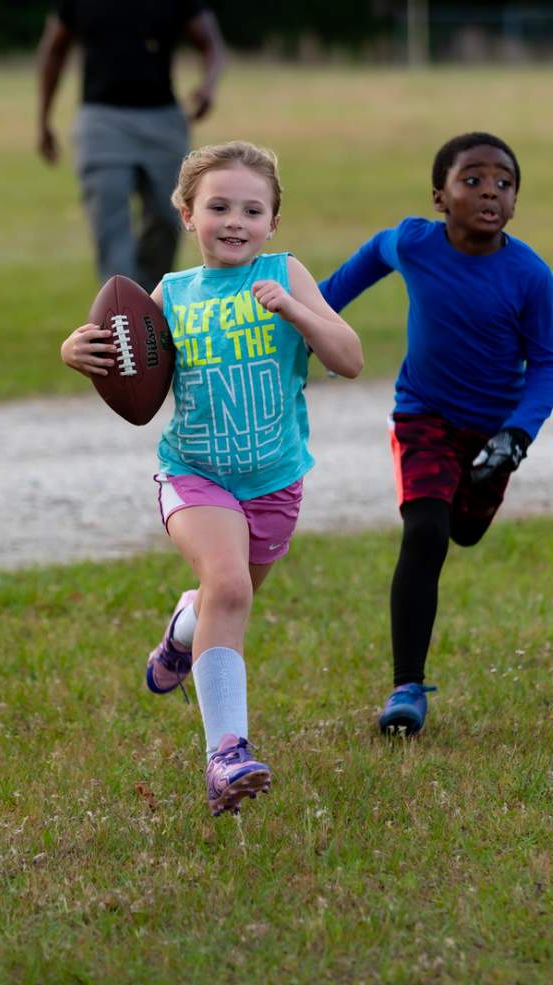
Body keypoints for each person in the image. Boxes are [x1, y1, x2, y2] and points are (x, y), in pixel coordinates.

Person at [61, 141, 363, 814]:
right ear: (187, 214)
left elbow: (349, 357)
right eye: (218, 206)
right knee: (228, 586)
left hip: (276, 483)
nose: (235, 220)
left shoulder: (286, 275)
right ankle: (226, 754)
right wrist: (74, 348)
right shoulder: (170, 294)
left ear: (273, 223)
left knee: (224, 599)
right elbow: (124, 359)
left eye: (252, 209)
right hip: (194, 474)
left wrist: (296, 310)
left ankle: (180, 632)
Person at [320, 132, 553, 736]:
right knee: (426, 532)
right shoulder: (413, 243)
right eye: (472, 180)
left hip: (496, 433)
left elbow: (548, 364)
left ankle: (477, 490)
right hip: (423, 415)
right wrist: (315, 315)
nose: (489, 192)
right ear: (439, 197)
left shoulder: (530, 276)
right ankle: (407, 689)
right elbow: (368, 258)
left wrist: (516, 438)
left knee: (465, 529)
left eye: (504, 183)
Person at [36, 1, 224, 292]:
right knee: (109, 223)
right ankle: (120, 311)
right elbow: (54, 50)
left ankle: (150, 304)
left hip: (163, 120)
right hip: (101, 122)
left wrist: (208, 86)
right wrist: (43, 120)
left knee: (168, 214)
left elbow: (211, 44)